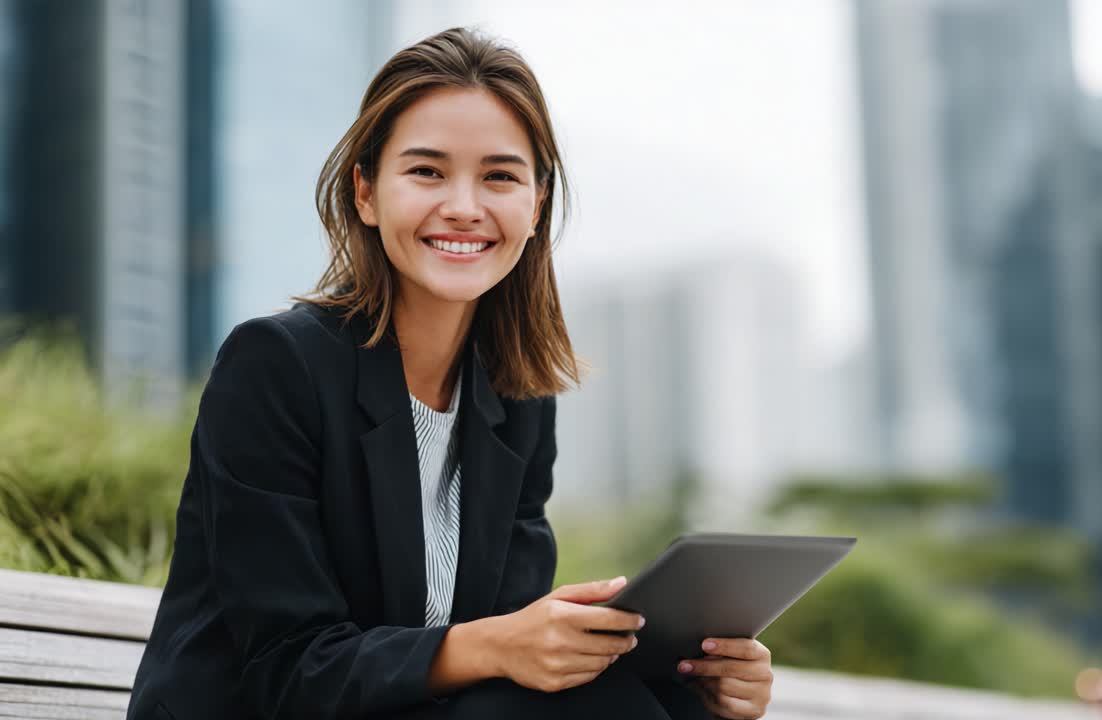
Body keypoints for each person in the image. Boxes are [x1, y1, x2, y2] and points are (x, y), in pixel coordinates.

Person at [126, 27, 774, 719]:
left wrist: (696, 680)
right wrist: (495, 647)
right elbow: (286, 673)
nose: (464, 206)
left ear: (537, 205)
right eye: (427, 171)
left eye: (499, 175)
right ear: (367, 193)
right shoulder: (275, 367)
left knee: (669, 700)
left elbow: (512, 645)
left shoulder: (518, 396)